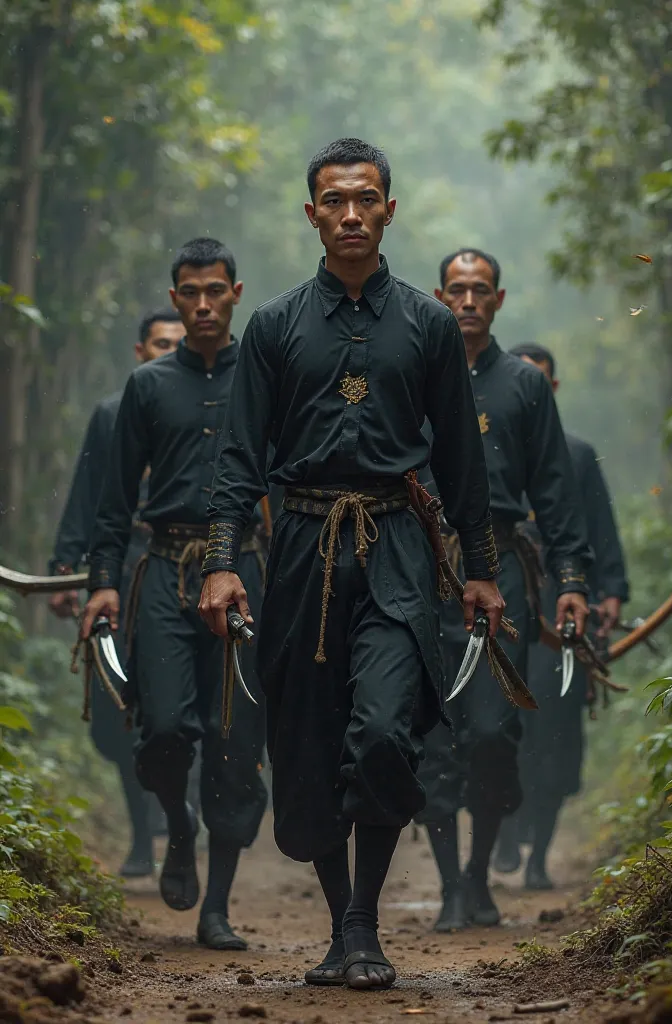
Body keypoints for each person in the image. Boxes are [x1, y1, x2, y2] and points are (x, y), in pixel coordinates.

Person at [198, 138, 503, 992]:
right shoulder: (274, 326)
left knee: (378, 731)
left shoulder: (431, 323)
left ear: (390, 210)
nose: (352, 215)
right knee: (309, 740)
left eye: (366, 199)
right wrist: (223, 563)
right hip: (299, 547)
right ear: (312, 215)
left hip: (402, 545)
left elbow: (462, 466)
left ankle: (365, 920)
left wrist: (480, 570)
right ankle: (344, 929)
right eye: (334, 201)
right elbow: (238, 460)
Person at [81, 238, 268, 951]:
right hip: (162, 568)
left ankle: (217, 906)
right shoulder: (150, 385)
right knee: (161, 728)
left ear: (236, 291)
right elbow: (115, 496)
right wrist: (103, 581)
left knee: (232, 741)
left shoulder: (266, 374)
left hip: (245, 573)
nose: (202, 306)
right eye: (188, 293)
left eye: (215, 291)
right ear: (174, 298)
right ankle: (178, 825)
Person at [414, 248, 591, 931]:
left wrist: (571, 579)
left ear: (498, 299)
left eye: (479, 289)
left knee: (491, 732)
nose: (466, 301)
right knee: (433, 735)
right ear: (438, 296)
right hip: (429, 570)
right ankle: (449, 886)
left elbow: (556, 491)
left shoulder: (525, 384)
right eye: (455, 289)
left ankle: (479, 870)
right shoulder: (418, 374)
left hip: (507, 573)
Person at [49, 308, 185, 878]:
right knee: (118, 710)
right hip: (121, 568)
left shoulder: (211, 408)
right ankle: (140, 829)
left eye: (176, 344)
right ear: (139, 351)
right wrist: (66, 564)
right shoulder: (112, 413)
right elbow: (92, 494)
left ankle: (179, 818)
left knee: (180, 703)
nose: (168, 352)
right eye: (159, 343)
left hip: (186, 569)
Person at [493, 342, 629, 889]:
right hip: (503, 603)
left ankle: (537, 856)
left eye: (539, 382)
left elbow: (598, 534)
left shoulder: (575, 454)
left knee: (553, 733)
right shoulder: (487, 449)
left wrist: (610, 590)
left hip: (561, 607)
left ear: (552, 390)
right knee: (499, 722)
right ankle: (500, 830)